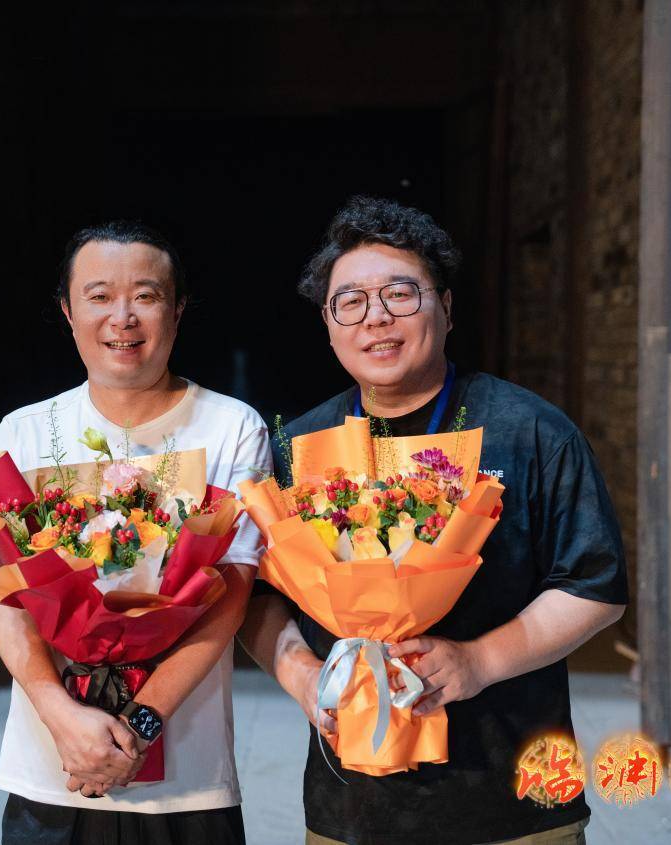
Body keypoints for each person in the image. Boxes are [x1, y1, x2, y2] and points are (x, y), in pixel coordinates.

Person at [237, 196, 628, 845]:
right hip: (348, 811)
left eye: (399, 294)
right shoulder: (298, 447)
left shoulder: (529, 430)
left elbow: (595, 586)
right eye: (350, 302)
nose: (376, 317)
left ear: (445, 307)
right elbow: (254, 594)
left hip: (515, 805)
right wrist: (301, 675)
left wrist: (480, 660)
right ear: (329, 325)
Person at [0, 221, 269, 844]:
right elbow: (6, 595)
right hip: (50, 770)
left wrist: (142, 723)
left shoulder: (232, 427)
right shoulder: (24, 432)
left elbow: (232, 595)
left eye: (146, 296)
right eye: (100, 296)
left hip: (189, 782)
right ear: (68, 311)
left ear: (177, 311)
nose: (123, 318)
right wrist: (59, 715)